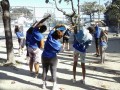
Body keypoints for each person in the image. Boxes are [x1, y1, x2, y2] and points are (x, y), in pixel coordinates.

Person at [41, 24, 65, 90]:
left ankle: (43, 85)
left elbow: (53, 29)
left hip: (44, 56)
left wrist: (59, 25)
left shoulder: (49, 37)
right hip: (53, 58)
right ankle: (54, 86)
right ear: (59, 37)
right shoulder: (58, 45)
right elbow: (58, 51)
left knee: (44, 70)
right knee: (53, 71)